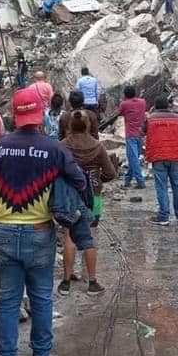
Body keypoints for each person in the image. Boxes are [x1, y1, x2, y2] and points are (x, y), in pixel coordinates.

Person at [0, 87, 86, 356]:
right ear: (40, 114)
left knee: (8, 302)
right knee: (41, 300)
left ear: (15, 116)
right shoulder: (54, 149)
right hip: (39, 232)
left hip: (2, 231)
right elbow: (79, 181)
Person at [61, 110, 115, 296]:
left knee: (69, 235)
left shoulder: (62, 146)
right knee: (90, 235)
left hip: (68, 197)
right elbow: (110, 173)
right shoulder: (97, 146)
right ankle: (92, 282)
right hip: (94, 196)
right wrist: (98, 179)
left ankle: (66, 281)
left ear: (69, 126)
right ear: (89, 125)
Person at [145, 94, 178, 225]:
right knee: (177, 185)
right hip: (176, 156)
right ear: (169, 105)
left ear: (155, 106)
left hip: (158, 156)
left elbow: (142, 132)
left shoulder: (149, 119)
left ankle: (163, 216)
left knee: (161, 186)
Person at [118, 84, 147, 189]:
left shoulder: (124, 104)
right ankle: (127, 180)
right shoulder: (143, 102)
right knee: (133, 158)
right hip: (141, 134)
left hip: (131, 134)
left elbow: (120, 113)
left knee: (133, 158)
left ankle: (140, 181)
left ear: (125, 95)